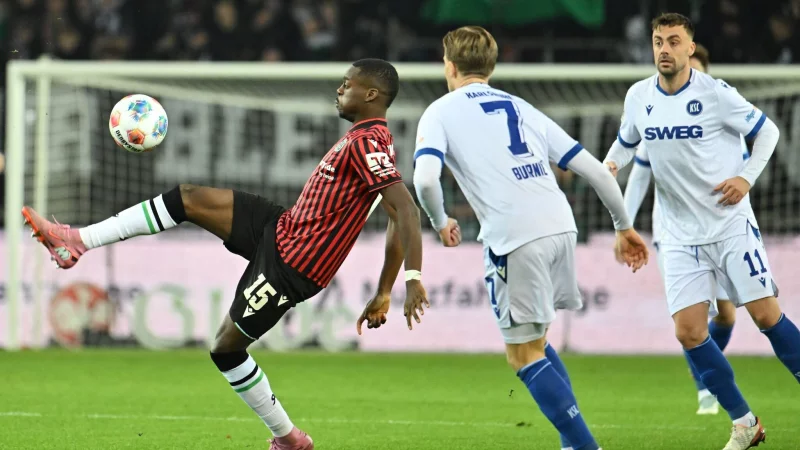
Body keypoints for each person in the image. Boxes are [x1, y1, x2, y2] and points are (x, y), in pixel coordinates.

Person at [22, 58, 430, 450]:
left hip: (292, 264)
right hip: (282, 228)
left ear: (371, 94)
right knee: (187, 198)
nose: (339, 89)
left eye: (348, 83)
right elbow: (396, 217)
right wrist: (383, 291)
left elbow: (407, 211)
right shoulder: (375, 142)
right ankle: (76, 240)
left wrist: (410, 280)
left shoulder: (366, 142)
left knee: (226, 349)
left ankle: (290, 439)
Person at [412, 25, 649, 450]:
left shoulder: (439, 111)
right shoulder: (521, 107)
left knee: (522, 355)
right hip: (561, 225)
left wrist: (439, 220)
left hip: (516, 235)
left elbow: (426, 179)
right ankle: (572, 444)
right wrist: (623, 226)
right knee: (536, 343)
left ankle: (586, 447)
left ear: (449, 66)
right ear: (491, 66)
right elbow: (596, 171)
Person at [605, 13, 800, 450]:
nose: (664, 49)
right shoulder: (639, 96)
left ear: (690, 48)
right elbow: (626, 143)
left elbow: (768, 132)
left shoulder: (715, 93)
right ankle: (745, 423)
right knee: (689, 332)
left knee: (766, 316)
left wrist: (746, 178)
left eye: (674, 41)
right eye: (658, 41)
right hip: (677, 235)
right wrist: (610, 165)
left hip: (729, 226)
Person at [621, 43, 748, 416]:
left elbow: (741, 176)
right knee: (692, 320)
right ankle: (706, 387)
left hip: (720, 229)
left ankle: (705, 376)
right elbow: (640, 174)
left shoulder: (724, 117)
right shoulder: (659, 117)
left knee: (726, 315)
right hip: (674, 232)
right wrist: (624, 224)